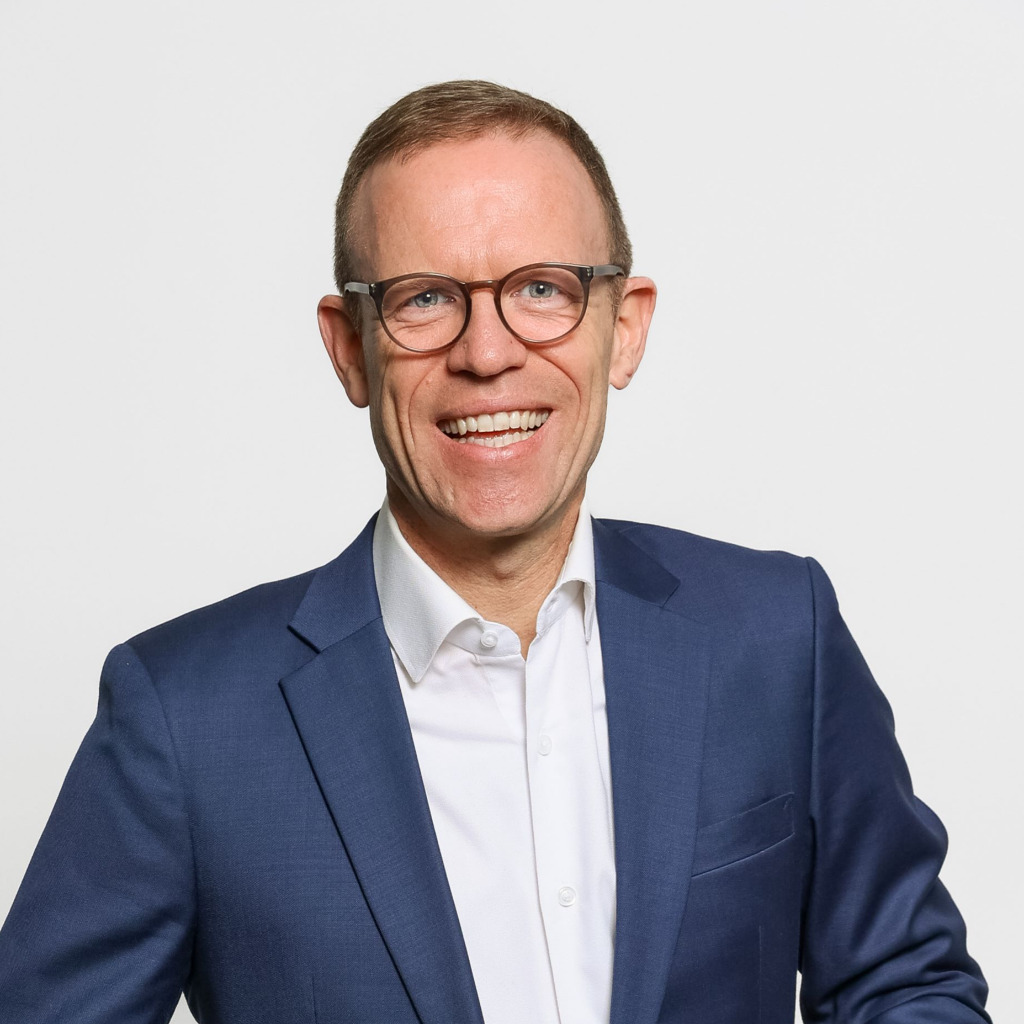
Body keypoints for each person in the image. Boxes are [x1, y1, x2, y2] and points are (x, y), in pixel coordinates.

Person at [0, 80, 989, 1024]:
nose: (487, 352)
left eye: (543, 288)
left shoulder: (776, 638)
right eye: (425, 298)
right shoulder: (186, 719)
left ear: (624, 327)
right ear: (349, 347)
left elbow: (904, 982)